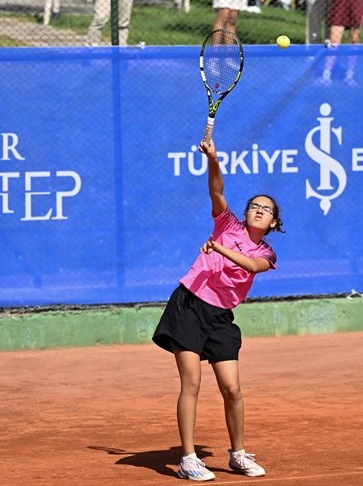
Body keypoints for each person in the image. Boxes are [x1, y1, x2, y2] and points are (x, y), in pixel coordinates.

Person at [152, 136, 280, 482]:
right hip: (189, 306)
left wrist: (218, 249)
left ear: (272, 223)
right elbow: (217, 189)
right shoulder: (227, 225)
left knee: (232, 388)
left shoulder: (267, 254)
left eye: (267, 209)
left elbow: (250, 266)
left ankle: (238, 455)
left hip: (221, 317)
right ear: (246, 212)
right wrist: (213, 158)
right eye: (254, 205)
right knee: (191, 383)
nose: (259, 210)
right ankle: (188, 459)